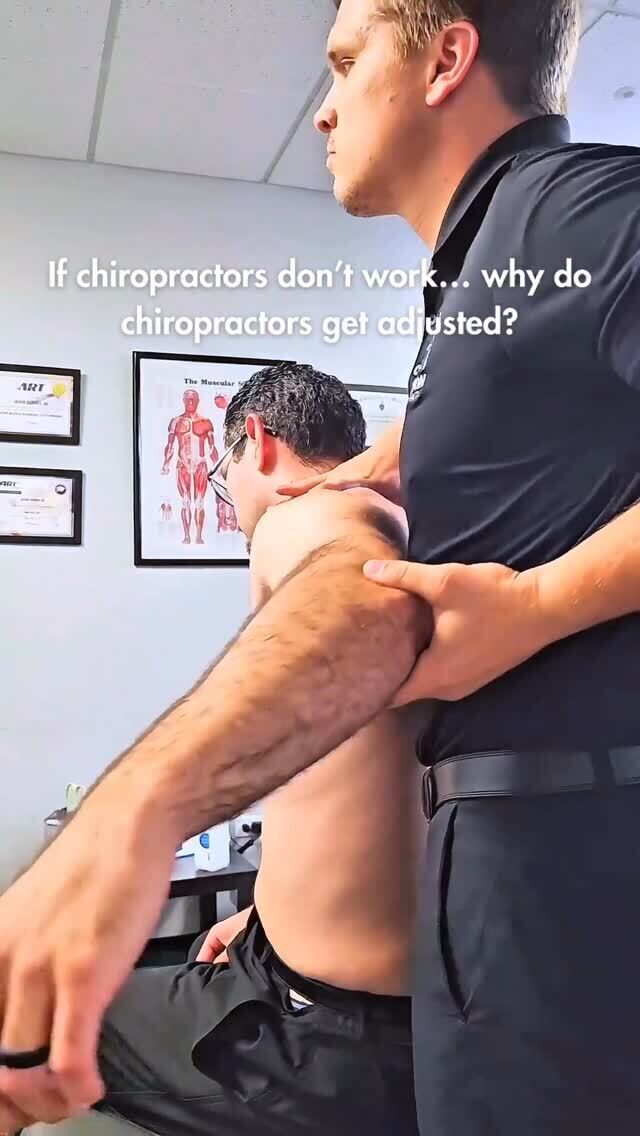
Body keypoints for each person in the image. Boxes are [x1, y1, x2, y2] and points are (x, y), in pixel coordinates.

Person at [1, 2, 639, 1133]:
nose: (324, 109)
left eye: (345, 62)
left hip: (552, 888)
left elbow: (367, 601)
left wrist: (130, 819)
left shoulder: (571, 208)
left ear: (446, 58)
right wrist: (412, 447)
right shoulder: (481, 289)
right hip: (497, 887)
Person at [90, 364, 422, 1136]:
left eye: (222, 474)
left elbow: (353, 575)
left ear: (259, 443)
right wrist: (261, 912)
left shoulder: (308, 517)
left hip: (316, 1040)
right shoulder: (419, 531)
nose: (228, 499)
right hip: (360, 1002)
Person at [162, 388, 218, 545]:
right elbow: (170, 445)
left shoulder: (205, 422)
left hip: (200, 464)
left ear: (198, 401)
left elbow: (212, 447)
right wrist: (165, 464)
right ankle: (187, 536)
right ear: (183, 401)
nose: (190, 401)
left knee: (199, 502)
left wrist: (217, 466)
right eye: (187, 398)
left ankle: (198, 536)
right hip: (183, 464)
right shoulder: (176, 421)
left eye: (193, 398)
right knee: (186, 501)